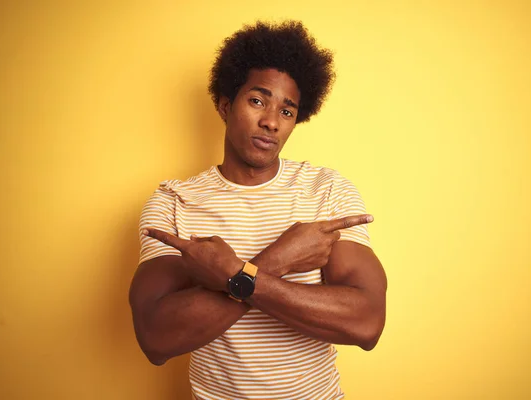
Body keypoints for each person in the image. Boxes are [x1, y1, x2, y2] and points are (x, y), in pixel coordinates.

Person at [129, 20, 387, 400]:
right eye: (257, 100)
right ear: (225, 104)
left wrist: (231, 274)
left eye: (287, 111)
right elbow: (155, 337)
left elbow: (366, 324)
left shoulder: (326, 191)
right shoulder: (174, 202)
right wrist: (278, 259)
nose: (270, 122)